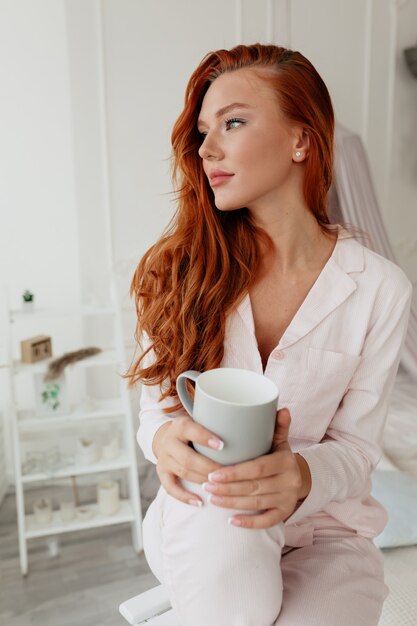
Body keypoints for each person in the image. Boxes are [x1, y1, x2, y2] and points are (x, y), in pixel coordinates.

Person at [127, 43, 412, 626]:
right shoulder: (180, 269)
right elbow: (156, 409)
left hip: (327, 533)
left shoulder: (381, 288)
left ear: (301, 140)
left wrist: (303, 475)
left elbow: (358, 449)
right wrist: (162, 440)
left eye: (232, 122)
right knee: (228, 525)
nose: (207, 149)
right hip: (209, 510)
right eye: (203, 131)